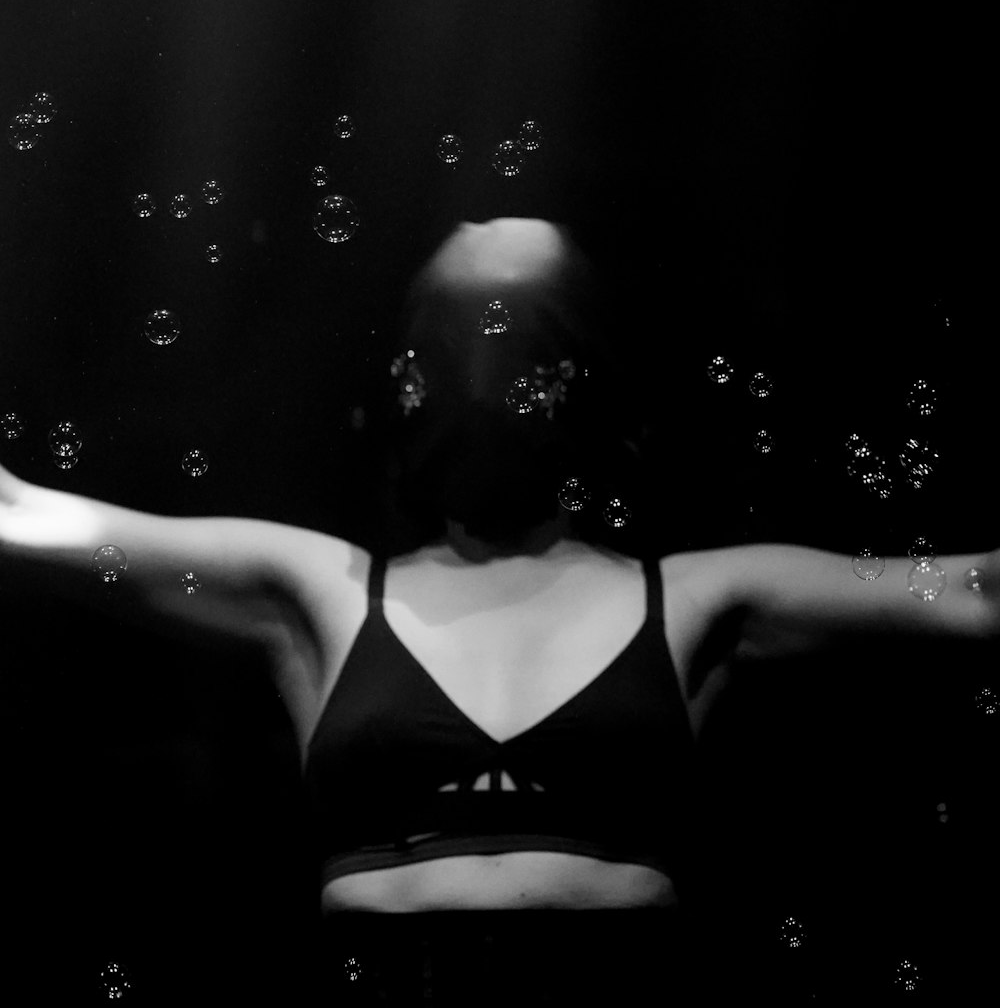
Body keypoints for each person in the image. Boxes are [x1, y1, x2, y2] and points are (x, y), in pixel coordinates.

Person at [1, 218, 995, 1005]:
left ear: (577, 374)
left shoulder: (696, 596)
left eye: (520, 330)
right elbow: (23, 515)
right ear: (413, 378)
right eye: (464, 330)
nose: (490, 367)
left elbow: (972, 589)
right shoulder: (324, 588)